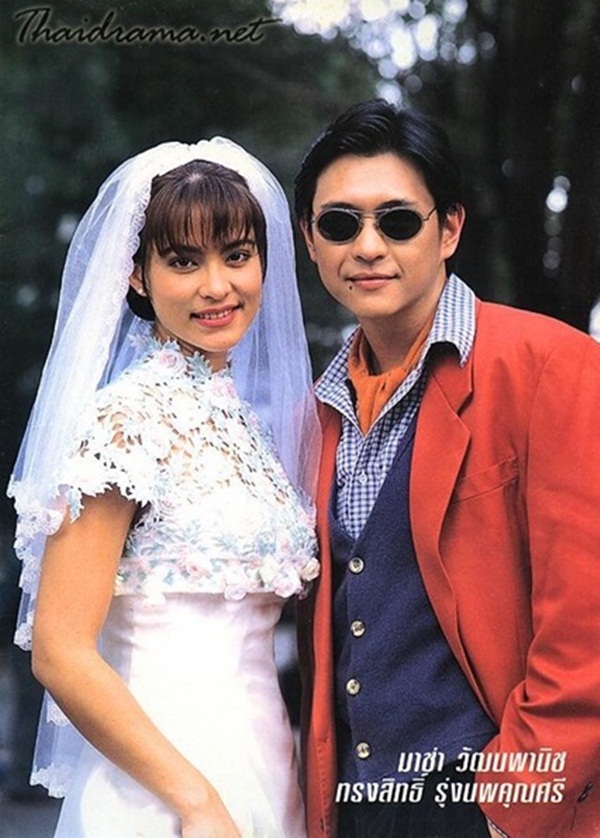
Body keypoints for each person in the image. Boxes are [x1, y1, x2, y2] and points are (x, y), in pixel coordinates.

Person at [294, 99, 600, 838]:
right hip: (356, 809)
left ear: (450, 229)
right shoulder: (316, 412)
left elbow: (586, 625)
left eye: (398, 221)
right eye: (340, 224)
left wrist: (509, 812)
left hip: (490, 807)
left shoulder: (553, 365)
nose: (368, 246)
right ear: (310, 239)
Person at [8, 137, 322, 837]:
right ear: (138, 275)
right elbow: (60, 649)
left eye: (237, 255)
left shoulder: (248, 424)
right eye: (183, 261)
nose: (217, 286)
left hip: (266, 768)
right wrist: (195, 802)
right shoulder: (125, 423)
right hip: (158, 790)